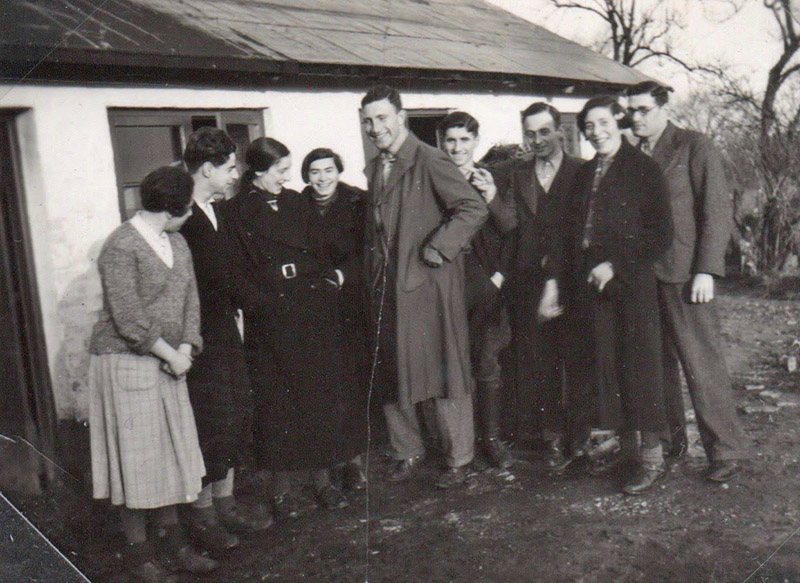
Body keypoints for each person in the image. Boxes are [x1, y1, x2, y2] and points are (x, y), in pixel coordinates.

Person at [88, 166, 217, 582]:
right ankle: (140, 554)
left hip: (169, 360)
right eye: (188, 208)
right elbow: (127, 316)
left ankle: (176, 544)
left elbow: (191, 301)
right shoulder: (121, 246)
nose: (191, 214)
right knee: (137, 461)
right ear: (172, 209)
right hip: (127, 362)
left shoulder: (177, 242)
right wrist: (167, 353)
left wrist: (185, 347)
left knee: (173, 455)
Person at [360, 85, 488, 489]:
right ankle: (407, 449)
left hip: (427, 286)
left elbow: (472, 208)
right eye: (368, 120)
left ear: (401, 118)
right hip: (388, 286)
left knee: (446, 367)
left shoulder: (430, 159)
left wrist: (439, 248)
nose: (375, 127)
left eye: (382, 118)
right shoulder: (376, 166)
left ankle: (459, 458)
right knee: (393, 370)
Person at [221, 137, 352, 516]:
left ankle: (322, 482)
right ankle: (280, 491)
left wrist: (325, 282)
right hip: (271, 319)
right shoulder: (235, 213)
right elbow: (234, 272)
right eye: (280, 169)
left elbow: (323, 250)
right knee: (277, 405)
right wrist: (262, 302)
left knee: (318, 396)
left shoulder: (297, 202)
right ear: (259, 171)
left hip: (312, 310)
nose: (287, 176)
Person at [626, 81, 748, 482]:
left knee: (702, 364)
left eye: (643, 109)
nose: (636, 117)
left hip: (684, 275)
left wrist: (706, 270)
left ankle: (724, 451)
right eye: (631, 111)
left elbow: (716, 208)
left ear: (663, 107)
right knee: (656, 367)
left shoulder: (694, 146)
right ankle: (673, 443)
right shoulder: (630, 153)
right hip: (643, 278)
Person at [559, 96, 673, 495]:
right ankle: (622, 454)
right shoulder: (585, 172)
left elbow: (660, 233)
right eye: (588, 125)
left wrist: (616, 266)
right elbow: (575, 233)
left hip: (630, 285)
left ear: (618, 123)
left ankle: (652, 460)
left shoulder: (643, 168)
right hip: (592, 288)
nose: (596, 132)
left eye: (603, 122)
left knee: (640, 370)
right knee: (605, 371)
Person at [179, 127, 274, 554]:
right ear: (206, 169)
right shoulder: (184, 217)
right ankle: (203, 518)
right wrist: (264, 304)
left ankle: (226, 503)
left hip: (224, 327)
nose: (235, 174)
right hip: (200, 335)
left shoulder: (216, 210)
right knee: (211, 422)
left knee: (235, 414)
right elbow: (215, 278)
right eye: (230, 167)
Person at [494, 102, 585, 469]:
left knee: (576, 359)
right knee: (536, 360)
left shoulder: (581, 172)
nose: (538, 140)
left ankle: (579, 441)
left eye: (544, 132)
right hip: (528, 283)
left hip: (572, 280)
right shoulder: (518, 174)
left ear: (560, 131)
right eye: (530, 134)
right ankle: (549, 437)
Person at [436, 112, 516, 469]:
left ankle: (492, 439)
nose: (457, 147)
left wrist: (497, 276)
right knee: (453, 365)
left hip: (484, 281)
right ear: (441, 142)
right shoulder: (434, 177)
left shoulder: (492, 177)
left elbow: (511, 228)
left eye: (464, 140)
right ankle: (459, 446)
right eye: (450, 140)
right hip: (447, 280)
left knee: (487, 361)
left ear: (476, 141)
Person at [300, 147, 369, 491]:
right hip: (313, 305)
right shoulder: (297, 206)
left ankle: (353, 462)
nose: (322, 178)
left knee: (351, 382)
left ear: (339, 172)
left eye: (329, 170)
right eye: (315, 172)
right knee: (322, 385)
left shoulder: (358, 202)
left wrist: (342, 275)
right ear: (306, 176)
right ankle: (328, 461)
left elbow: (368, 252)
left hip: (350, 301)